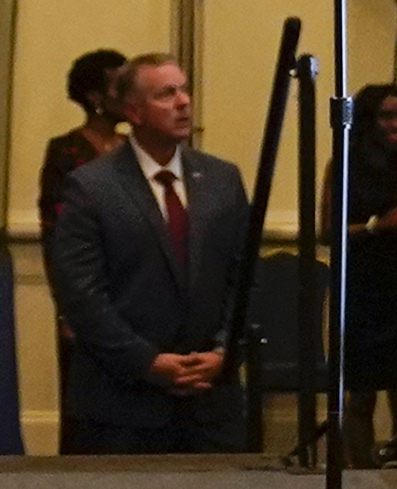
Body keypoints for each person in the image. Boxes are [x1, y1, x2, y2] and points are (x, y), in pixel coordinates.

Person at [47, 53, 255, 454]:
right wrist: (147, 363)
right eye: (166, 94)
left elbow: (244, 278)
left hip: (211, 406)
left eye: (183, 89)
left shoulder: (221, 180)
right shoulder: (90, 187)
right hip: (123, 409)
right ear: (134, 112)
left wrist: (224, 352)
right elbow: (82, 295)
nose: (183, 102)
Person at [321, 78, 397, 458]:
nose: (395, 124)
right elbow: (328, 230)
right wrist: (378, 225)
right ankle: (361, 471)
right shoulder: (343, 162)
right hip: (360, 284)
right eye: (386, 116)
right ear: (368, 120)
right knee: (361, 389)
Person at [34, 46, 127, 235]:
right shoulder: (66, 150)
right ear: (95, 98)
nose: (130, 96)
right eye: (121, 89)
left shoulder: (136, 145)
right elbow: (54, 221)